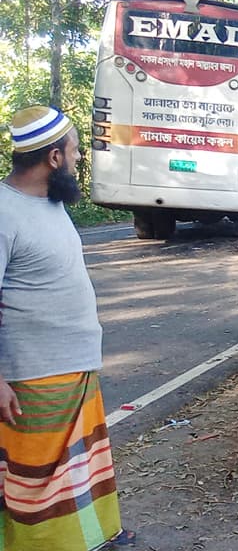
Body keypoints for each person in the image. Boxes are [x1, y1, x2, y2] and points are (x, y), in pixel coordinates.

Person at [0, 106, 135, 549]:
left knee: (80, 469)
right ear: (54, 158)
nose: (79, 159)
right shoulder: (4, 211)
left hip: (73, 369)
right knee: (38, 481)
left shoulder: (49, 203)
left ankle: (92, 539)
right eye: (75, 152)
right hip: (35, 376)